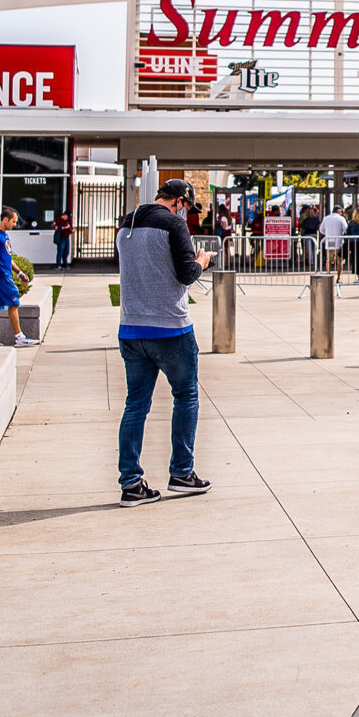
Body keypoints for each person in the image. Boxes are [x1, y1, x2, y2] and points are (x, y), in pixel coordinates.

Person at [113, 178, 214, 507]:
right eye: (187, 208)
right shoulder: (173, 224)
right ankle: (182, 473)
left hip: (131, 328)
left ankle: (131, 483)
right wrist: (202, 261)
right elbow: (186, 274)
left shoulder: (126, 223)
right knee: (186, 396)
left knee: (135, 405)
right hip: (171, 329)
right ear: (181, 202)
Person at [0, 208, 36, 346]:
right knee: (14, 301)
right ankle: (19, 337)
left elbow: (8, 257)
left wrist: (20, 272)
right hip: (1, 276)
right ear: (5, 219)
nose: (14, 225)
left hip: (5, 274)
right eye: (13, 221)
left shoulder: (5, 235)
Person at [319, 204, 348, 282]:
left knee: (328, 260)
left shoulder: (326, 218)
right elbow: (346, 229)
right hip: (339, 242)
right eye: (341, 211)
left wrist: (328, 233)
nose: (342, 213)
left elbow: (321, 230)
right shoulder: (341, 219)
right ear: (338, 211)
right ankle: (338, 278)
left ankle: (328, 275)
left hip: (329, 241)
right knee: (340, 261)